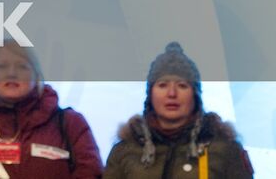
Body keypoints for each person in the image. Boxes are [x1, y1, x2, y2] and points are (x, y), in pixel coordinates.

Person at [0, 40, 102, 179]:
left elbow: (90, 173)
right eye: (1, 66)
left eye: (22, 67)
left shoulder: (71, 125)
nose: (12, 73)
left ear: (37, 76)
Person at [102, 42, 252, 179]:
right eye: (162, 85)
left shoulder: (225, 149)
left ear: (195, 95)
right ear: (150, 94)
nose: (172, 93)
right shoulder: (125, 150)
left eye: (182, 85)